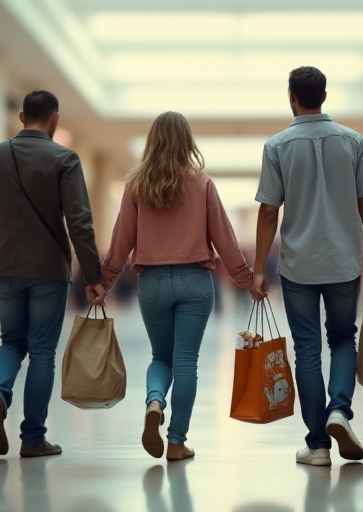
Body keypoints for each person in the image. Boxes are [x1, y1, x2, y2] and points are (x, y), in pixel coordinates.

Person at [101, 111, 264, 461]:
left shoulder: (136, 185)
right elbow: (225, 238)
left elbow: (121, 241)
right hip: (195, 283)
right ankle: (176, 442)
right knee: (185, 360)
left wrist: (106, 281)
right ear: (187, 141)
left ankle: (155, 401)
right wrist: (246, 280)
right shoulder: (202, 183)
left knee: (161, 357)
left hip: (153, 284)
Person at [252, 66, 363, 467]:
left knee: (307, 349)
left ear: (291, 97)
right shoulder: (353, 141)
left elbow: (267, 213)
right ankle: (339, 411)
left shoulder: (277, 146)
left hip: (298, 266)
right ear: (325, 97)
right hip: (344, 262)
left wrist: (259, 269)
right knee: (344, 339)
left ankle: (317, 446)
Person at [0, 90, 107, 459]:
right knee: (42, 352)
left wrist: (3, 241)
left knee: (11, 341)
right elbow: (79, 222)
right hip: (48, 270)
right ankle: (32, 439)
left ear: (21, 117)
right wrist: (93, 275)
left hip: (2, 268)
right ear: (55, 120)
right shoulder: (65, 159)